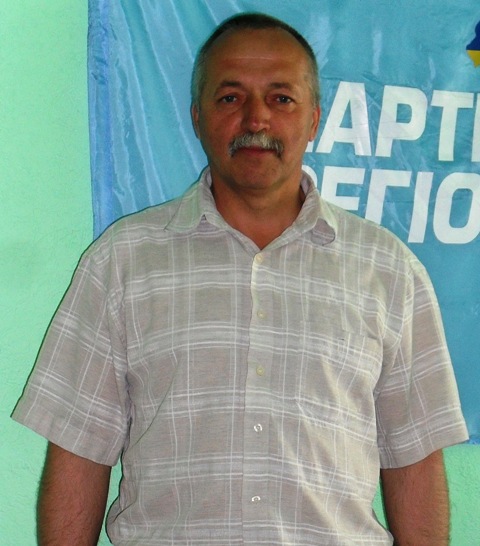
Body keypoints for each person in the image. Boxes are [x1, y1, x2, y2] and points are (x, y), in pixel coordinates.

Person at [13, 12, 468, 546]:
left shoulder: (388, 271)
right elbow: (77, 451)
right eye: (230, 97)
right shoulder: (122, 262)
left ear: (314, 119)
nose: (257, 118)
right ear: (197, 117)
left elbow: (415, 459)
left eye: (281, 98)